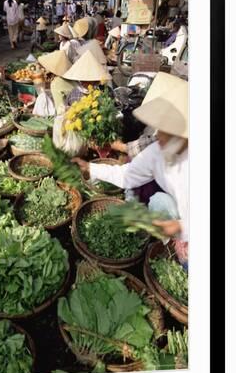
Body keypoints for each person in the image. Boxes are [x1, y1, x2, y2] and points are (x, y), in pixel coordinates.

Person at [72, 79, 189, 264]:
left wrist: (181, 226)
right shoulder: (158, 150)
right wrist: (90, 168)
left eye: (170, 131)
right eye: (162, 129)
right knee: (160, 202)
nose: (160, 137)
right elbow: (127, 176)